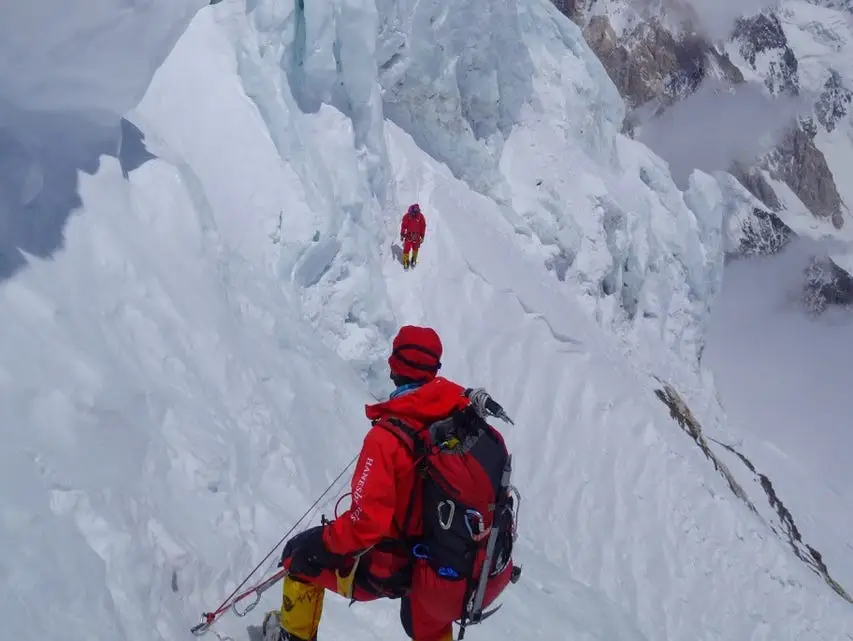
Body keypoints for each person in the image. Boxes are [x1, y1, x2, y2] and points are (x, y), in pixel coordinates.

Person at [263, 325, 518, 641]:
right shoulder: (460, 417)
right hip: (437, 567)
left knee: (299, 557)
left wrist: (325, 540)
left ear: (395, 367)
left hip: (387, 568)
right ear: (434, 368)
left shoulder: (387, 439)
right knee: (430, 625)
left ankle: (292, 636)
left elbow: (365, 526)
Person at [400, 203, 426, 269]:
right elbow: (403, 225)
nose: (415, 214)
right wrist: (402, 234)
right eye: (414, 212)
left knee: (415, 248)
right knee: (406, 248)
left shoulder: (420, 216)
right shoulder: (407, 216)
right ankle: (406, 261)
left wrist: (422, 236)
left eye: (417, 212)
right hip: (408, 235)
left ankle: (413, 259)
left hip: (417, 236)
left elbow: (423, 226)